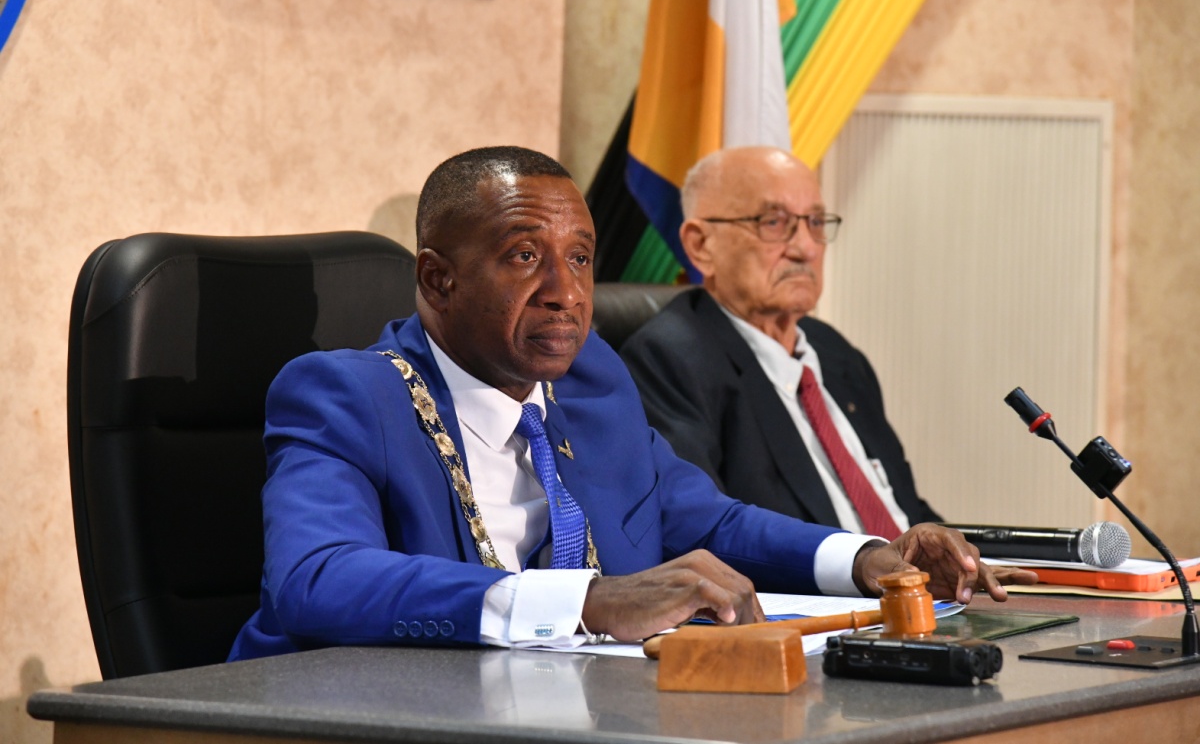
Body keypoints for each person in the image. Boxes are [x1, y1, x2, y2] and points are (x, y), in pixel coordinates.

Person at [228, 146, 1031, 661]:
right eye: (524, 257)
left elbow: (708, 520)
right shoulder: (345, 393)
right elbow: (317, 579)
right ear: (438, 278)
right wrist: (585, 600)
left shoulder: (592, 380)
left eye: (579, 258)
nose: (566, 293)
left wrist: (865, 557)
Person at [621, 145, 938, 537]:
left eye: (816, 222)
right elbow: (705, 529)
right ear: (701, 246)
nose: (806, 248)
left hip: (922, 593)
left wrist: (970, 561)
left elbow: (906, 510)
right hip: (827, 593)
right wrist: (864, 563)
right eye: (773, 222)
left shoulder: (835, 353)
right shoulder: (671, 360)